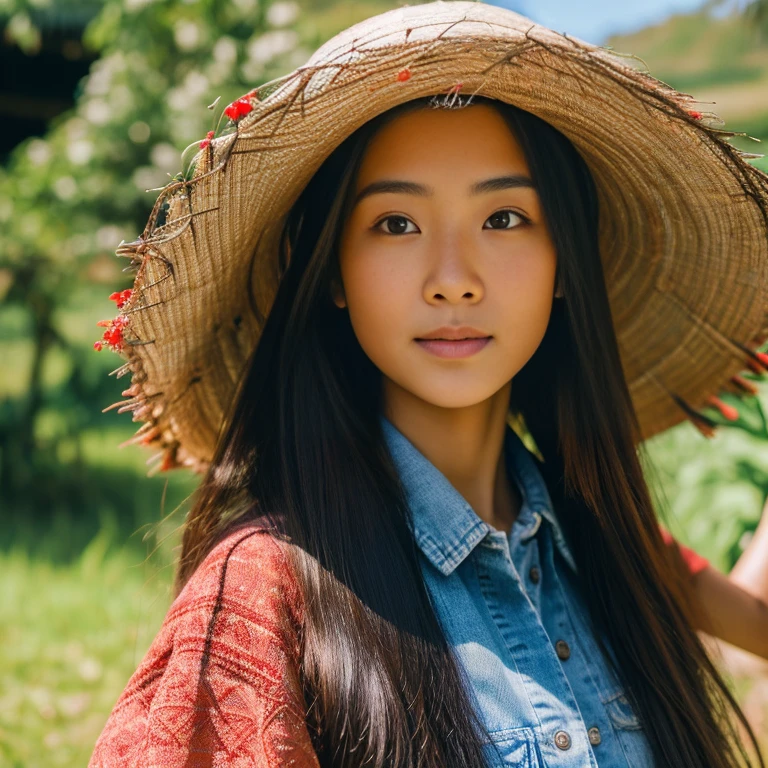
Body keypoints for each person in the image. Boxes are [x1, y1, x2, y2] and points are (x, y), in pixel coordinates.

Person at [88, 2, 768, 766]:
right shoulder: (259, 591)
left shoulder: (605, 545)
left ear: (565, 262)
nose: (453, 281)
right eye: (396, 225)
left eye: (505, 218)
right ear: (334, 271)